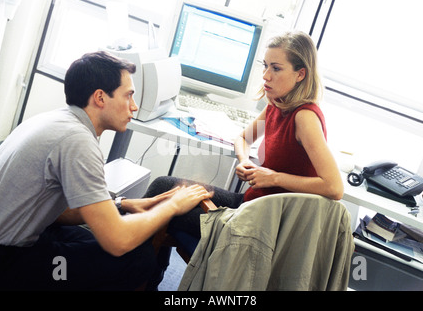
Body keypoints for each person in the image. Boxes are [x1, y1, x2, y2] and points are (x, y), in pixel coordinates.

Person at [0, 51, 212, 291]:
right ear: (100, 97)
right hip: (10, 262)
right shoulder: (77, 141)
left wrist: (122, 204)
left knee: (121, 243)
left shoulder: (60, 121)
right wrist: (173, 205)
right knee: (135, 257)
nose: (134, 106)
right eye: (128, 95)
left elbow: (56, 210)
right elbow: (117, 241)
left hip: (30, 235)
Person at [146, 30, 343, 252]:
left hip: (260, 226)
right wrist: (243, 161)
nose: (266, 75)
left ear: (300, 74)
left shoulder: (304, 118)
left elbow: (334, 187)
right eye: (265, 66)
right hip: (248, 204)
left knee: (161, 207)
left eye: (276, 68)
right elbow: (243, 138)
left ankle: (134, 275)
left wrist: (273, 177)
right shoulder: (276, 106)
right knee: (162, 187)